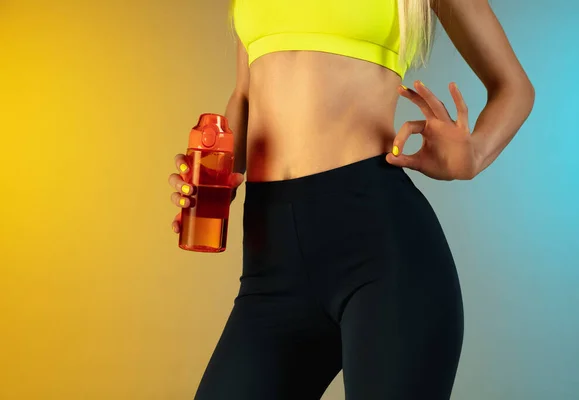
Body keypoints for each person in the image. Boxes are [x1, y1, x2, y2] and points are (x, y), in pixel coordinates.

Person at [168, 0, 535, 398]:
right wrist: (216, 179)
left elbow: (515, 88)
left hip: (381, 250)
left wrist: (473, 156)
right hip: (269, 256)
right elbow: (244, 94)